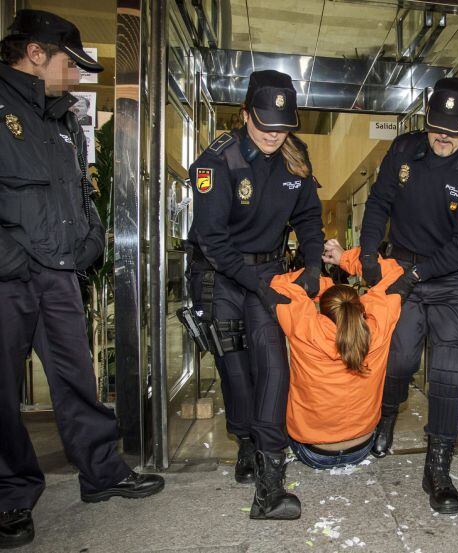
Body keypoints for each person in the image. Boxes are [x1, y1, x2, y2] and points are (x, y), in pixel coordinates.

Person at [0, 10, 164, 549]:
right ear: (37, 53)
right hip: (11, 276)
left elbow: (82, 190)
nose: (77, 76)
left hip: (62, 274)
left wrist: (92, 241)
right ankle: (11, 495)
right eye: (71, 63)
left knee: (78, 382)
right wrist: (14, 259)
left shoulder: (65, 118)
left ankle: (101, 474)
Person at [186, 69, 323, 520]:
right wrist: (257, 285)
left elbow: (308, 218)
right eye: (264, 124)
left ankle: (270, 484)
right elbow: (213, 240)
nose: (272, 135)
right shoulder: (217, 162)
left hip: (268, 275)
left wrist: (313, 262)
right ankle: (245, 440)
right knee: (237, 372)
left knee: (273, 368)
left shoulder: (295, 158)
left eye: (282, 127)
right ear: (244, 113)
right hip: (221, 276)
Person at [359, 77, 458, 514]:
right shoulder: (404, 150)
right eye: (437, 127)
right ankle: (386, 418)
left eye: (453, 131)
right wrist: (368, 254)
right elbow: (378, 202)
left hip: (448, 276)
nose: (442, 138)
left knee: (448, 370)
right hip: (400, 268)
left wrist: (418, 273)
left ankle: (437, 465)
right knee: (398, 359)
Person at [252, 240, 405, 471]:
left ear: (324, 310)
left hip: (313, 452)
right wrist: (345, 258)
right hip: (362, 445)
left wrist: (322, 284)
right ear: (360, 307)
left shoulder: (306, 328)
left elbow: (280, 284)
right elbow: (394, 274)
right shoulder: (377, 328)